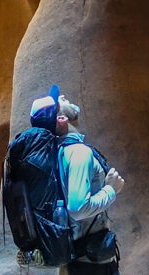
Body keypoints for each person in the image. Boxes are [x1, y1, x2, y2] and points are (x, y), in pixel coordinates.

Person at [29, 89, 125, 274]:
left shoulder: (56, 154)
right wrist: (111, 189)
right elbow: (78, 209)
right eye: (60, 101)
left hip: (75, 262)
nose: (64, 97)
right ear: (62, 119)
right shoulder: (78, 153)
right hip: (89, 266)